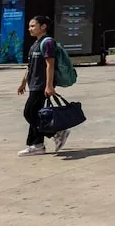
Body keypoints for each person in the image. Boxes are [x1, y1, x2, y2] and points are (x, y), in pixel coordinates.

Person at [16, 15, 70, 156]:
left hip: (41, 85)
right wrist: (23, 82)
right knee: (36, 114)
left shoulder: (48, 42)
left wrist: (49, 85)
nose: (30, 29)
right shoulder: (35, 44)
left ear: (43, 26)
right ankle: (36, 145)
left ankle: (57, 132)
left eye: (33, 26)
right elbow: (30, 66)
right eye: (29, 26)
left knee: (29, 113)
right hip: (33, 84)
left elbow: (50, 64)